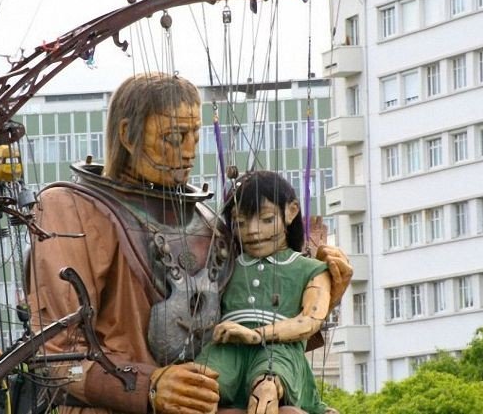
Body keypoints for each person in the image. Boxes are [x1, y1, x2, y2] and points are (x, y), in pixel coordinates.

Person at [26, 72, 351, 414]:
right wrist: (148, 386)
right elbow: (54, 357)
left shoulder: (212, 225)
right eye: (174, 136)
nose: (189, 151)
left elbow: (250, 318)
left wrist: (316, 294)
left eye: (195, 136)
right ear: (127, 135)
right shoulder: (71, 209)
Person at [195, 170, 334, 414]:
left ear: (291, 212)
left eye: (266, 219)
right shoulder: (226, 265)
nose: (253, 231)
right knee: (194, 387)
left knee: (266, 390)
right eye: (240, 223)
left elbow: (309, 321)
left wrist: (256, 335)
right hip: (226, 348)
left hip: (279, 351)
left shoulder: (311, 269)